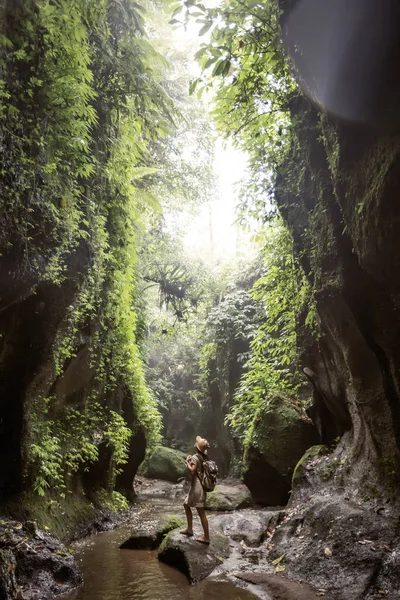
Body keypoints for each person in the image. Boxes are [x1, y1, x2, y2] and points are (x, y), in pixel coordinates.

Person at [180, 435, 210, 544]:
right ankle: (189, 529)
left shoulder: (195, 457)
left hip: (197, 487)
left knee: (201, 512)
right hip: (200, 486)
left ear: (197, 447)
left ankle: (206, 537)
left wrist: (187, 462)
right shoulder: (204, 456)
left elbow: (192, 470)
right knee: (186, 504)